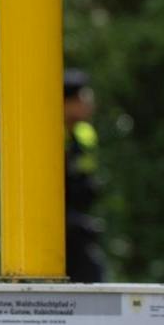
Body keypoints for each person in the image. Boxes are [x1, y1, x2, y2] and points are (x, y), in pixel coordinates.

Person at [63, 69, 105, 283]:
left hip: (78, 220)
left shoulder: (84, 133)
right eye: (81, 98)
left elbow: (86, 176)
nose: (88, 102)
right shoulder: (45, 134)